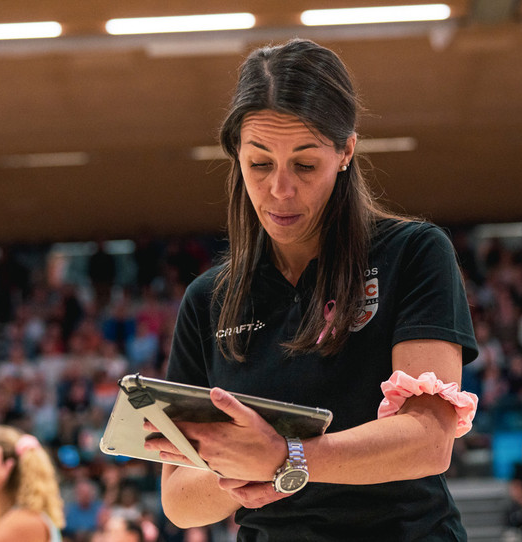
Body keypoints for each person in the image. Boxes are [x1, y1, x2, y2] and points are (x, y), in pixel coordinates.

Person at [145, 39, 479, 540]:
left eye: (304, 164)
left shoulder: (413, 253)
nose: (281, 189)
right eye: (260, 164)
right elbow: (178, 501)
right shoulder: (207, 298)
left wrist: (286, 457)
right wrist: (246, 461)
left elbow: (428, 441)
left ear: (346, 150)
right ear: (237, 154)